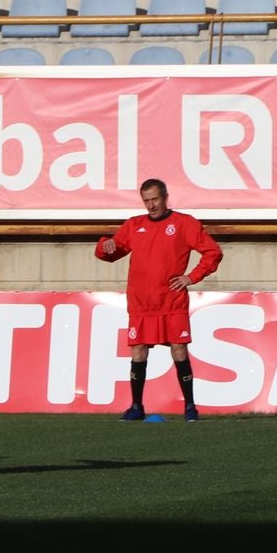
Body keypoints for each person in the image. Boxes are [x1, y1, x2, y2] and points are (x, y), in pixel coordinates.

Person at [95, 178, 223, 422]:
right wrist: (105, 246)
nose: (151, 205)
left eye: (154, 199)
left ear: (165, 197)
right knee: (138, 351)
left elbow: (213, 252)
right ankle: (136, 406)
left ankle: (190, 407)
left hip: (171, 301)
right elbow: (111, 252)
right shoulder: (134, 225)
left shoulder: (184, 224)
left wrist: (191, 277)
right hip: (141, 303)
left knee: (178, 349)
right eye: (146, 201)